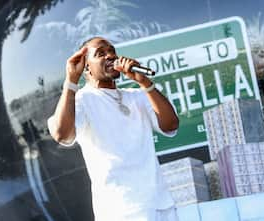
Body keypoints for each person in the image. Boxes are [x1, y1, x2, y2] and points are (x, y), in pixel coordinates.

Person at [47, 36, 179, 221]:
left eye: (112, 51)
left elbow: (171, 124)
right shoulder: (82, 101)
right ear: (86, 67)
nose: (110, 56)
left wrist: (144, 83)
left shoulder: (137, 96)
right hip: (121, 210)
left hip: (160, 205)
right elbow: (62, 134)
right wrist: (71, 81)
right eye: (101, 53)